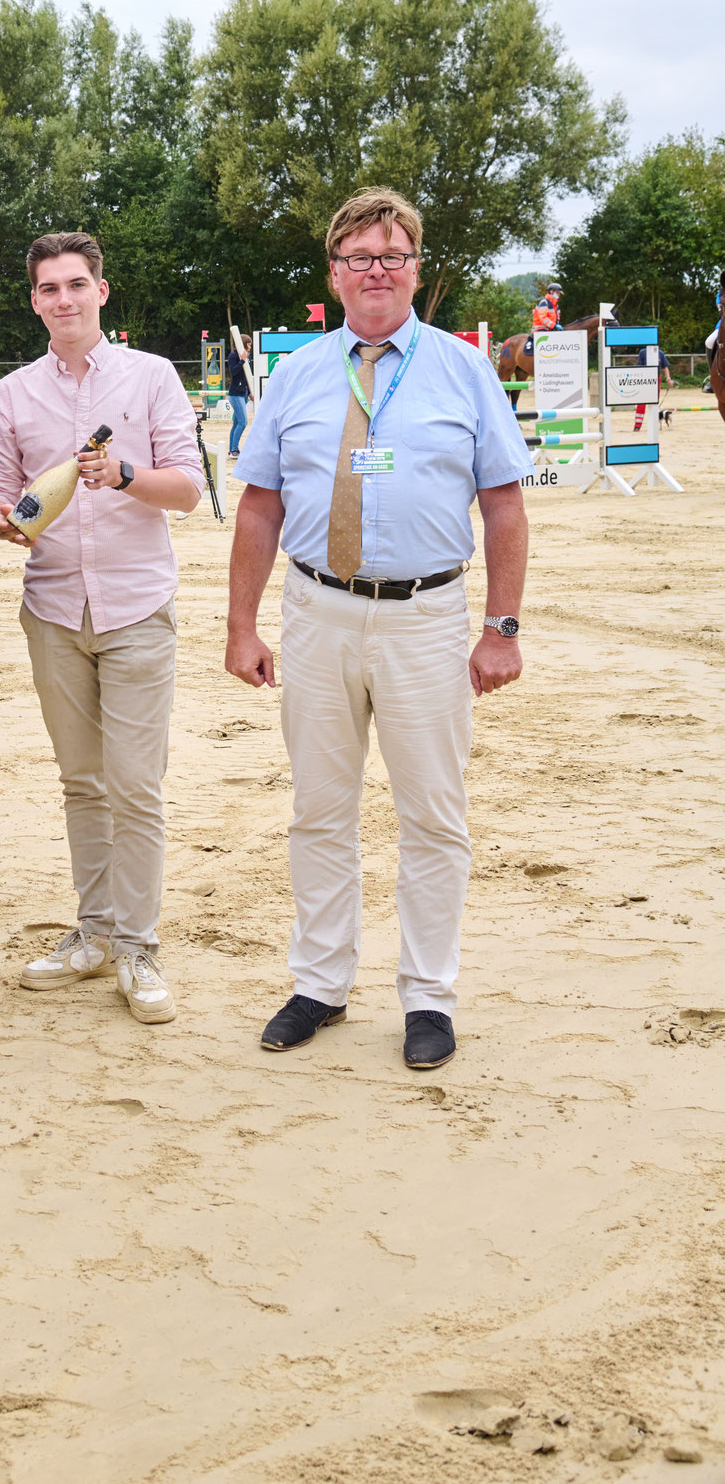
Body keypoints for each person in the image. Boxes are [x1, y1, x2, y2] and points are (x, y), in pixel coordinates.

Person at [224, 187, 531, 1071]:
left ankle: (429, 997)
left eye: (393, 255)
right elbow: (259, 508)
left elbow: (504, 508)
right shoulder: (298, 375)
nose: (376, 272)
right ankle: (319, 985)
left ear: (416, 270)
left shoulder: (463, 369)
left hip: (428, 618)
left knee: (433, 815)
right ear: (334, 272)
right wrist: (242, 625)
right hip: (318, 611)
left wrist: (500, 627)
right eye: (359, 257)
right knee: (320, 809)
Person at [0, 233, 204, 1025]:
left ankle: (139, 946)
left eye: (77, 285)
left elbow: (191, 491)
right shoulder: (12, 395)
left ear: (101, 293)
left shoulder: (152, 378)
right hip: (51, 612)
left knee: (136, 788)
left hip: (138, 608)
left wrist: (127, 475)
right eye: (49, 289)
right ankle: (94, 932)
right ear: (34, 301)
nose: (64, 300)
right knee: (82, 783)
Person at [227, 334, 252, 456]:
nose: (250, 346)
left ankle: (231, 450)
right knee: (243, 422)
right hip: (235, 394)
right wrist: (242, 360)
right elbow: (233, 371)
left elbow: (247, 376)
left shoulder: (248, 356)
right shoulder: (233, 356)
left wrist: (250, 392)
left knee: (237, 423)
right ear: (244, 344)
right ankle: (234, 449)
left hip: (244, 393)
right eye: (249, 344)